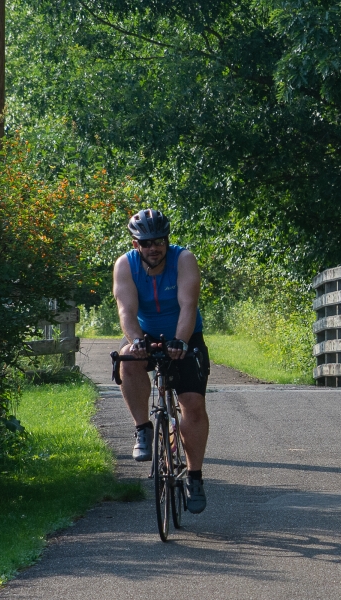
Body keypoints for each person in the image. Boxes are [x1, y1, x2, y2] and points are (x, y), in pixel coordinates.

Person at [113, 208, 211, 514]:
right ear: (136, 244)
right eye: (146, 243)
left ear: (167, 240)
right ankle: (143, 428)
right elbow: (126, 310)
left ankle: (194, 477)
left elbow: (188, 305)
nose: (153, 247)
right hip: (144, 334)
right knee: (127, 360)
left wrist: (180, 341)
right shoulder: (125, 265)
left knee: (192, 404)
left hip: (184, 335)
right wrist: (136, 341)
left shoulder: (184, 260)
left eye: (159, 241)